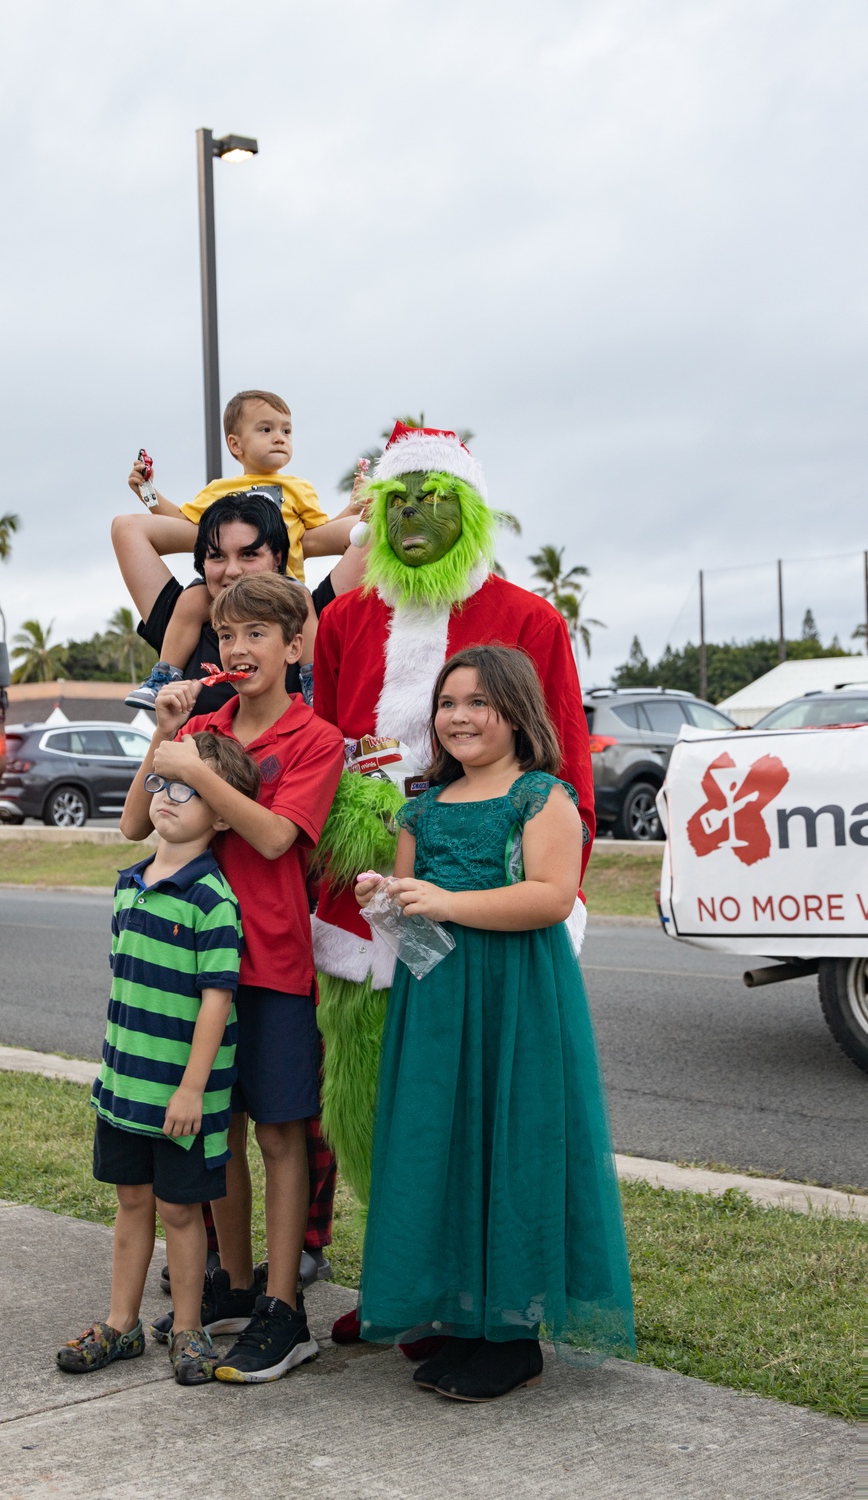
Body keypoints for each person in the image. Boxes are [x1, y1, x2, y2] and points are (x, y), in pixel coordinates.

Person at [310, 423, 595, 1346]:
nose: (416, 515)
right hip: (369, 905)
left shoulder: (530, 620)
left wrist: (563, 891)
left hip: (489, 912)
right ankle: (408, 1280)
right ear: (375, 513)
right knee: (380, 1111)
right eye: (398, 500)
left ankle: (486, 1305)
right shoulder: (349, 621)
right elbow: (322, 753)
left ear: (471, 510)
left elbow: (569, 772)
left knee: (483, 1113)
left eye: (436, 497)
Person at [354, 646, 635, 1401]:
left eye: (478, 702)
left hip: (516, 1001)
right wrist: (387, 901)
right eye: (448, 703)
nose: (459, 716)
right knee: (443, 1148)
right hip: (438, 1001)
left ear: (515, 710)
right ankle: (461, 1319)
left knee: (510, 1145)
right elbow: (416, 928)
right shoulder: (420, 808)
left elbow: (549, 896)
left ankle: (512, 1338)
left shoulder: (541, 797)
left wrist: (444, 901)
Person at [119, 490, 345, 1304]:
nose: (239, 647)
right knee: (219, 1133)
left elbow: (280, 838)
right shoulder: (203, 718)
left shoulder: (316, 736)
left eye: (257, 634)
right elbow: (133, 824)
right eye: (226, 633)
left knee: (282, 1136)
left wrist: (200, 770)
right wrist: (164, 734)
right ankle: (236, 1281)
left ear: (293, 644)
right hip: (189, 963)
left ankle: (283, 1306)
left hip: (272, 958)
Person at [57, 731, 261, 1386]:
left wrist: (193, 1090)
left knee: (181, 1211)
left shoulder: (212, 900)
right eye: (163, 783)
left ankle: (191, 1327)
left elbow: (216, 1002)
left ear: (221, 811)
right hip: (123, 1090)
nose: (169, 799)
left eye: (190, 789)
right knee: (132, 1204)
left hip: (182, 1099)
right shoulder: (129, 886)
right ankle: (121, 1325)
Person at [114, 390, 367, 708]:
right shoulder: (187, 619)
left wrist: (335, 522)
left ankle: (312, 678)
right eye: (217, 555)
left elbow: (338, 532)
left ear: (277, 557)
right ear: (235, 444)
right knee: (193, 596)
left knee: (300, 596)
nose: (232, 570)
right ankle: (164, 676)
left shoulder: (308, 614)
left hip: (288, 585)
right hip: (198, 752)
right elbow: (153, 524)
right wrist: (149, 493)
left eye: (250, 553)